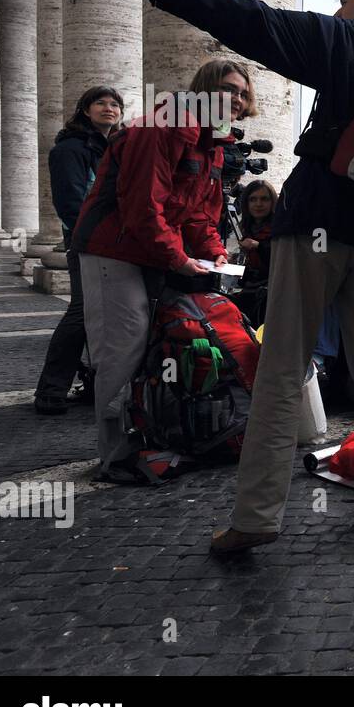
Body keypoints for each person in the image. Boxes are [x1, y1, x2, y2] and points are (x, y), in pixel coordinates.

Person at [33, 0, 354, 553]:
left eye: (343, 3)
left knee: (281, 366)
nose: (335, 15)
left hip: (316, 229)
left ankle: (256, 517)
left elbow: (252, 20)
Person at [70, 59, 250, 483]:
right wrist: (179, 258)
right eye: (228, 89)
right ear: (204, 90)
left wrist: (214, 252)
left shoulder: (213, 145)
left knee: (148, 345)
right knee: (122, 346)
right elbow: (141, 205)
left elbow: (202, 216)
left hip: (149, 252)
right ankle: (115, 455)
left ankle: (146, 433)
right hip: (111, 249)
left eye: (243, 93)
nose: (237, 100)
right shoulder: (164, 126)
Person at [33, 86, 122, 414]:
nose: (109, 108)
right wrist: (93, 234)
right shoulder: (71, 148)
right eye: (101, 103)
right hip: (86, 239)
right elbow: (70, 202)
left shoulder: (113, 146)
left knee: (107, 315)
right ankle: (51, 389)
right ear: (86, 110)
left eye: (115, 104)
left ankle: (96, 382)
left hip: (115, 240)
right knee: (83, 312)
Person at [232, 178, 277, 326]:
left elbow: (281, 259)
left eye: (264, 199)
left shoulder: (279, 229)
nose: (258, 204)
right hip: (252, 284)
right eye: (253, 199)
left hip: (271, 289)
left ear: (272, 202)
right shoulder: (248, 227)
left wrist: (258, 246)